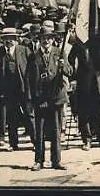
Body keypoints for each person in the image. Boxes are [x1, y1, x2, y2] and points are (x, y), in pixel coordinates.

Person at [29, 24, 73, 171]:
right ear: (39, 39)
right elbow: (29, 78)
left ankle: (56, 161)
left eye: (48, 38)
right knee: (39, 131)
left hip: (57, 97)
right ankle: (38, 161)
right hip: (40, 98)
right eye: (43, 38)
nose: (46, 41)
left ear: (52, 39)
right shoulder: (33, 55)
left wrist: (63, 66)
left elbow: (70, 71)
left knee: (56, 131)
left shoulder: (59, 53)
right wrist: (31, 99)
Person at [68, 24, 100, 151]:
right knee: (84, 113)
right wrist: (72, 78)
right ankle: (87, 139)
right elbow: (70, 61)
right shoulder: (79, 45)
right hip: (84, 84)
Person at [0, 27, 34, 151]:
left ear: (16, 39)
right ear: (2, 40)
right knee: (11, 117)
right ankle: (13, 144)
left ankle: (36, 142)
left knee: (29, 115)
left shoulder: (24, 51)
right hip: (6, 90)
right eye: (6, 38)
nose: (9, 41)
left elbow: (32, 69)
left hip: (23, 88)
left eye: (12, 38)